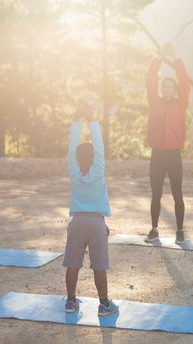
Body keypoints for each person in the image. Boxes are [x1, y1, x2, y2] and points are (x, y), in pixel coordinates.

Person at [63, 102, 118, 316]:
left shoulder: (73, 171)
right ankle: (104, 304)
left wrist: (77, 120)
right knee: (99, 266)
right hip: (96, 223)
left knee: (72, 264)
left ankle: (70, 302)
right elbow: (100, 146)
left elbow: (71, 147)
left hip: (77, 222)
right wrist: (92, 120)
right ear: (95, 157)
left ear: (76, 159)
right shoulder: (98, 169)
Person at [144, 44, 190, 244]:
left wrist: (177, 58)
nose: (168, 89)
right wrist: (159, 58)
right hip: (157, 155)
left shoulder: (181, 104)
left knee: (177, 194)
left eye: (171, 87)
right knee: (156, 194)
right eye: (165, 86)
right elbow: (150, 79)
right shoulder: (154, 101)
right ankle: (154, 229)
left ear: (175, 90)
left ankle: (179, 230)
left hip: (173, 155)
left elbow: (185, 82)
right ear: (162, 89)